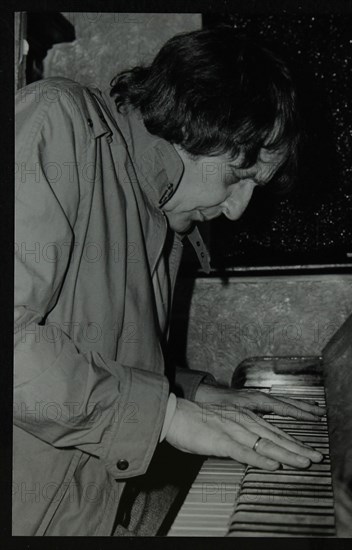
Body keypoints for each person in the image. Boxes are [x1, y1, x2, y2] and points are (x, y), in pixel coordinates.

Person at [14, 27, 325, 536]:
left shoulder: (158, 206)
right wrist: (166, 415)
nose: (237, 209)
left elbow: (96, 350)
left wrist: (193, 395)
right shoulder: (56, 121)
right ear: (194, 126)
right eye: (235, 175)